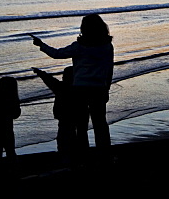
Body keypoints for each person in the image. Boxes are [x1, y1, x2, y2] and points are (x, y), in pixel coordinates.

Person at [31, 14, 113, 152]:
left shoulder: (79, 46)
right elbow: (109, 69)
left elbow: (57, 54)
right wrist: (107, 89)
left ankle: (83, 154)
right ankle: (104, 155)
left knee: (81, 125)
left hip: (80, 89)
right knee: (100, 124)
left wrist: (41, 45)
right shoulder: (107, 46)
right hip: (99, 88)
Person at [32, 66, 76, 158]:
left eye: (65, 75)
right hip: (75, 117)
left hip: (65, 117)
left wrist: (40, 72)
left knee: (63, 138)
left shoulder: (62, 87)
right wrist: (40, 72)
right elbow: (49, 80)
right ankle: (72, 156)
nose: (63, 77)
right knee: (71, 136)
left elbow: (49, 80)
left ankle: (66, 157)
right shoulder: (79, 88)